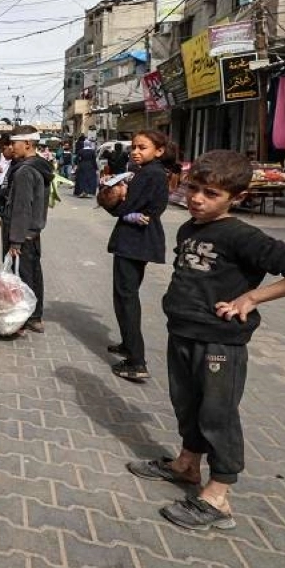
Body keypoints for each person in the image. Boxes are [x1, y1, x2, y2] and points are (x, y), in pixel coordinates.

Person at [127, 150, 285, 532]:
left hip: (219, 344)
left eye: (211, 194)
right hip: (183, 333)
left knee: (217, 415)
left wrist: (250, 298)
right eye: (194, 189)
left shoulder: (243, 235)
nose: (198, 199)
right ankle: (186, 465)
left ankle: (218, 496)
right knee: (187, 405)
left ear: (236, 197)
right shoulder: (189, 228)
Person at [104, 131, 178, 382]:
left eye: (142, 147)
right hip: (134, 239)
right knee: (123, 294)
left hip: (136, 241)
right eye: (134, 147)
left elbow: (125, 207)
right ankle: (128, 344)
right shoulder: (147, 171)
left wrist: (116, 200)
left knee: (127, 298)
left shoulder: (151, 173)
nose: (136, 151)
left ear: (158, 151)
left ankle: (137, 361)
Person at [1, 125, 53, 335]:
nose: (12, 147)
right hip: (33, 232)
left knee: (20, 278)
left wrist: (15, 241)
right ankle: (35, 317)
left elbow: (22, 207)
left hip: (21, 235)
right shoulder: (41, 167)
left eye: (15, 143)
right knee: (33, 275)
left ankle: (18, 323)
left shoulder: (25, 171)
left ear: (28, 144)